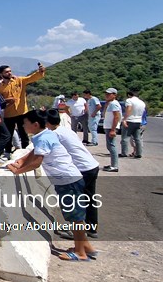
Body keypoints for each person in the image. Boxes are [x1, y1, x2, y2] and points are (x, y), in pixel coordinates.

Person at [7, 110, 94, 261]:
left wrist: (18, 171)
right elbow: (35, 153)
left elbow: (37, 161)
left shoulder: (43, 138)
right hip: (70, 179)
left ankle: (81, 253)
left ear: (34, 125)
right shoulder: (45, 135)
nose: (23, 126)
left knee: (76, 218)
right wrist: (21, 161)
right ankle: (85, 246)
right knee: (77, 216)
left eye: (25, 123)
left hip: (67, 181)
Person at [45, 110, 102, 239]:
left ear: (47, 122)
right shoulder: (66, 130)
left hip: (81, 169)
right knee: (89, 198)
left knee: (75, 201)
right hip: (91, 165)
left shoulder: (55, 135)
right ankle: (92, 228)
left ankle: (76, 231)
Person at [0, 62, 46, 154]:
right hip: (9, 114)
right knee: (9, 134)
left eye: (10, 71)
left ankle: (25, 151)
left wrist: (40, 72)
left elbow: (32, 78)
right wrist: (7, 100)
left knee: (24, 133)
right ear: (1, 74)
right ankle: (7, 152)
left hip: (22, 112)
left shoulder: (19, 80)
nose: (9, 73)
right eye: (7, 72)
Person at [121, 91, 146, 159]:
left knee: (125, 138)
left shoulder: (129, 100)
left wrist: (124, 119)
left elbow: (129, 109)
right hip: (138, 121)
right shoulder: (142, 102)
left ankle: (124, 153)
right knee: (137, 139)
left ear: (129, 95)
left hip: (130, 120)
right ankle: (138, 153)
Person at [102, 88, 122, 172]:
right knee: (109, 146)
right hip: (108, 127)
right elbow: (104, 114)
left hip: (111, 127)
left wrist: (113, 129)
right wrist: (106, 105)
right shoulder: (110, 104)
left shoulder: (114, 104)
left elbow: (116, 117)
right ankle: (113, 164)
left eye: (109, 94)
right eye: (106, 94)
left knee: (111, 146)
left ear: (114, 95)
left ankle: (114, 166)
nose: (107, 95)